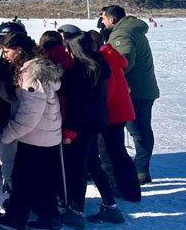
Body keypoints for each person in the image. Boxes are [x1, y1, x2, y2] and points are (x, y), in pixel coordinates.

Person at [0, 33, 64, 230]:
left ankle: (17, 217)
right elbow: (29, 102)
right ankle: (48, 217)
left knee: (22, 179)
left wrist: (6, 134)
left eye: (7, 51)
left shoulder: (31, 73)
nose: (5, 56)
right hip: (45, 134)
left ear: (19, 50)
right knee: (41, 179)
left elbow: (29, 115)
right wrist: (4, 95)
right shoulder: (36, 67)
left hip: (36, 137)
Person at [82, 30, 139, 225]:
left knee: (110, 152)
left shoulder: (104, 60)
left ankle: (121, 189)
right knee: (116, 151)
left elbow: (108, 92)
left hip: (112, 113)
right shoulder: (111, 56)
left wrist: (98, 114)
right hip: (119, 111)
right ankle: (129, 188)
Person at [100, 5, 160, 185]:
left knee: (139, 131)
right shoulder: (131, 29)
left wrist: (108, 77)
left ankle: (141, 170)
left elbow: (123, 62)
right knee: (141, 130)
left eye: (103, 18)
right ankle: (140, 168)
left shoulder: (121, 35)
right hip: (142, 89)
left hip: (135, 91)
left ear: (112, 19)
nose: (102, 22)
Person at [57, 32, 111, 229]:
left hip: (80, 126)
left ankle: (76, 211)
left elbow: (78, 106)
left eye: (68, 48)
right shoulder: (98, 65)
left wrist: (70, 130)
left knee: (78, 168)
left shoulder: (79, 73)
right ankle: (110, 204)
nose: (66, 52)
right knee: (92, 164)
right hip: (95, 123)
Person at [0, 21, 27, 196]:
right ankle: (13, 191)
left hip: (27, 119)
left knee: (20, 160)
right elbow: (0, 96)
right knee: (9, 158)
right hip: (7, 118)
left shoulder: (29, 65)